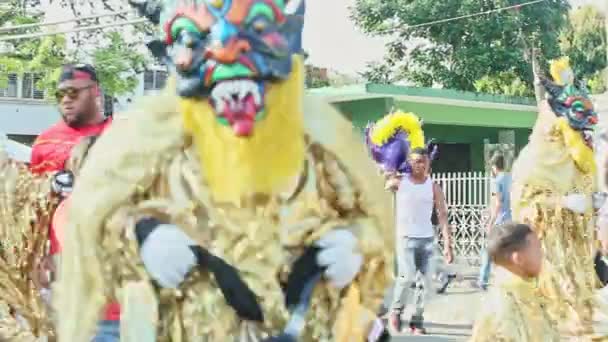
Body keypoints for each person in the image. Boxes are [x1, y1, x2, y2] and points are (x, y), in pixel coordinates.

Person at [55, 1, 392, 341]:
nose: (229, 51)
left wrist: (355, 243)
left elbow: (366, 218)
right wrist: (145, 235)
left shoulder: (316, 152)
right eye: (196, 38)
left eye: (257, 30)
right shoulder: (156, 150)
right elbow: (94, 222)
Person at [510, 56, 602, 337]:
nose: (592, 122)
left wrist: (591, 206)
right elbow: (525, 207)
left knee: (580, 313)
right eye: (579, 112)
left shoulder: (577, 157)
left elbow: (587, 195)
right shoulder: (536, 160)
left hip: (576, 257)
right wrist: (560, 203)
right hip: (546, 256)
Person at [388, 147, 453, 335]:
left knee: (425, 283)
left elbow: (442, 215)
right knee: (406, 276)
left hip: (427, 239)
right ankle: (395, 312)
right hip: (405, 238)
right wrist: (389, 171)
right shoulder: (401, 183)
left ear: (429, 164)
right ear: (410, 163)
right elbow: (385, 182)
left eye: (424, 161)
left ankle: (417, 322)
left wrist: (448, 243)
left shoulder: (434, 187)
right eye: (416, 161)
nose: (420, 165)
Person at [470, 222, 559, 341]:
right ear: (519, 258)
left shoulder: (526, 291)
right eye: (538, 249)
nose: (542, 255)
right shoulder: (505, 306)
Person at [30, 64, 111, 175]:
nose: (65, 100)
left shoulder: (119, 135)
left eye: (73, 92)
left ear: (95, 91)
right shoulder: (44, 142)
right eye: (60, 94)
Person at [475, 154, 511, 290]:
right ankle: (507, 281)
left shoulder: (497, 182)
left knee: (488, 251)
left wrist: (490, 221)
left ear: (494, 167)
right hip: (511, 219)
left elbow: (497, 204)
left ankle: (482, 281)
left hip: (500, 221)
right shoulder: (511, 179)